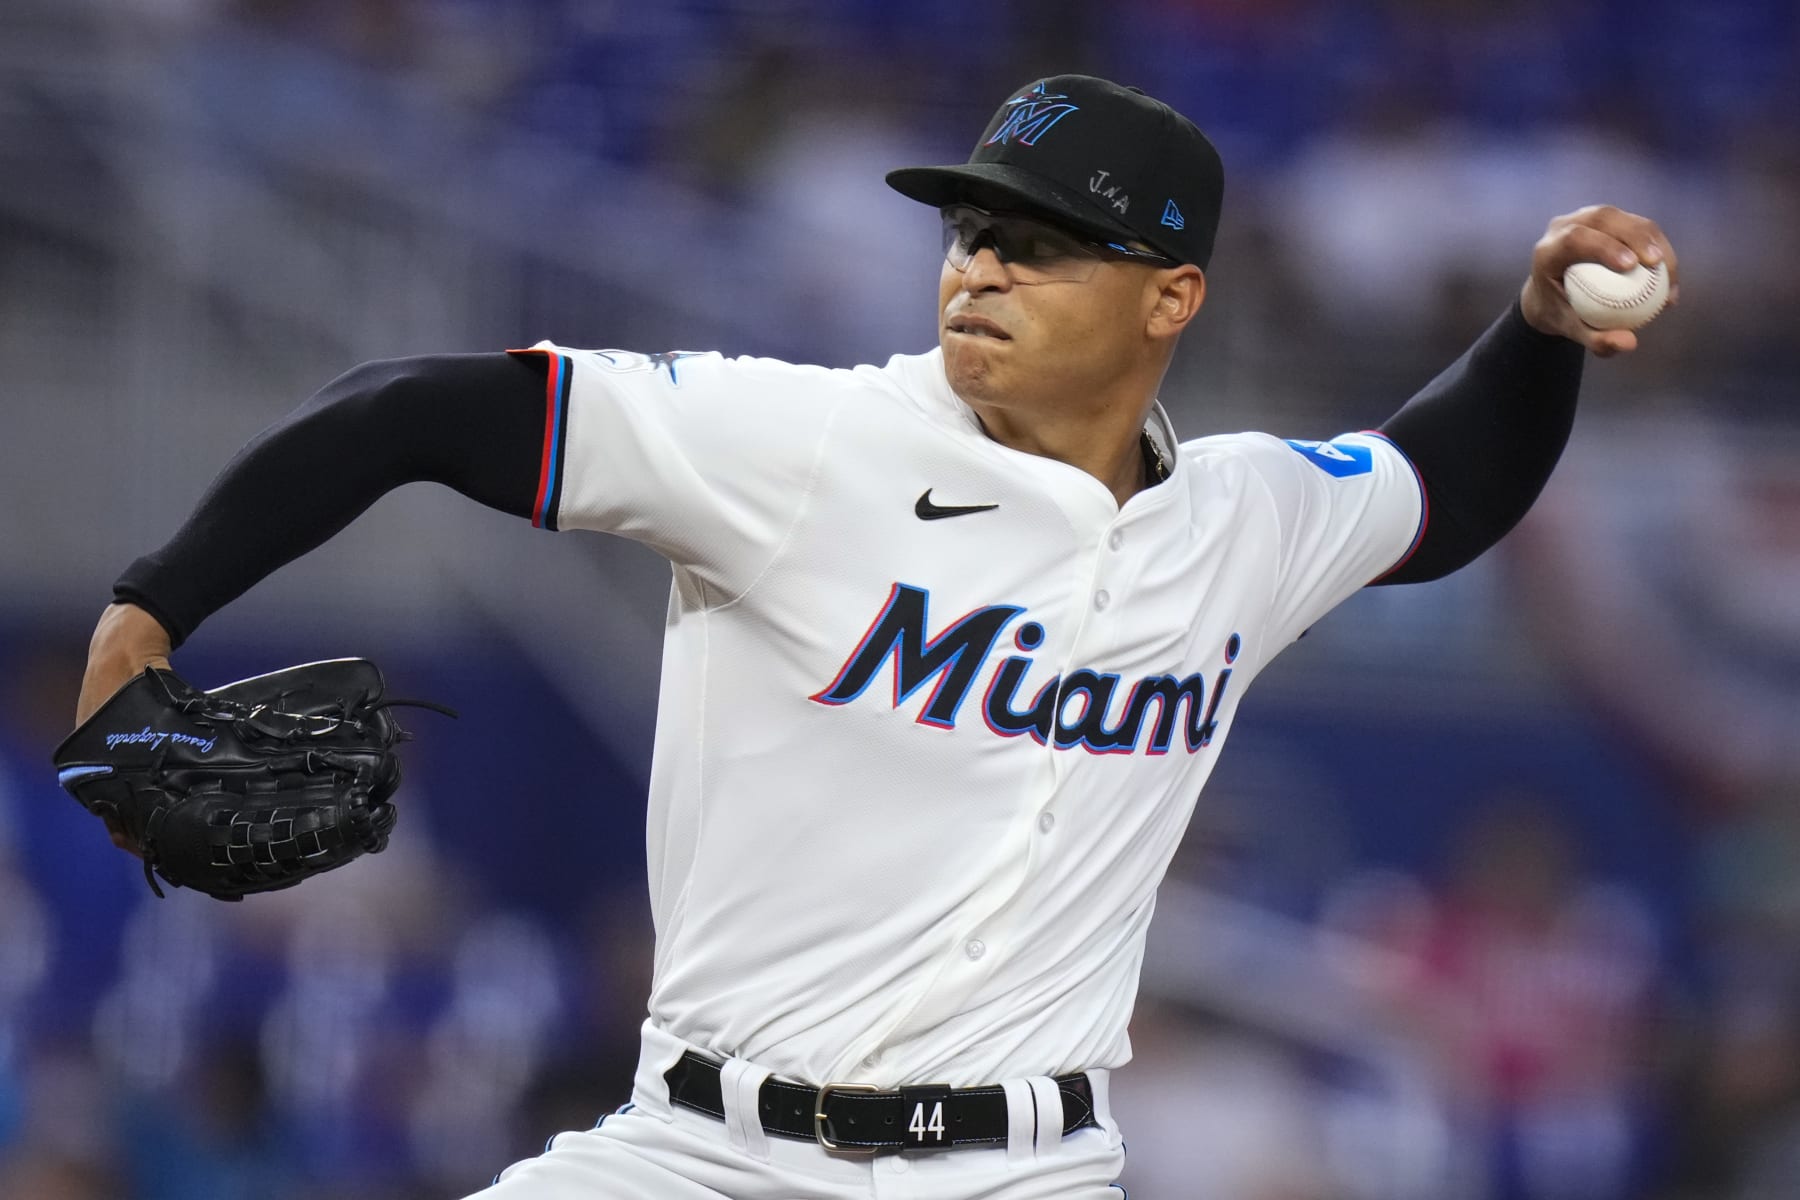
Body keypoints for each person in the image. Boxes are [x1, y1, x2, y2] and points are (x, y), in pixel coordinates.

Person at [73, 75, 1678, 1199]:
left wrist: (1537, 333)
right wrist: (151, 608)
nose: (980, 263)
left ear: (1171, 300)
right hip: (698, 1154)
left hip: (1024, 1169)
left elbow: (1437, 489)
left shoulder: (1244, 520)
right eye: (969, 228)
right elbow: (408, 407)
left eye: (1040, 242)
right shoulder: (805, 444)